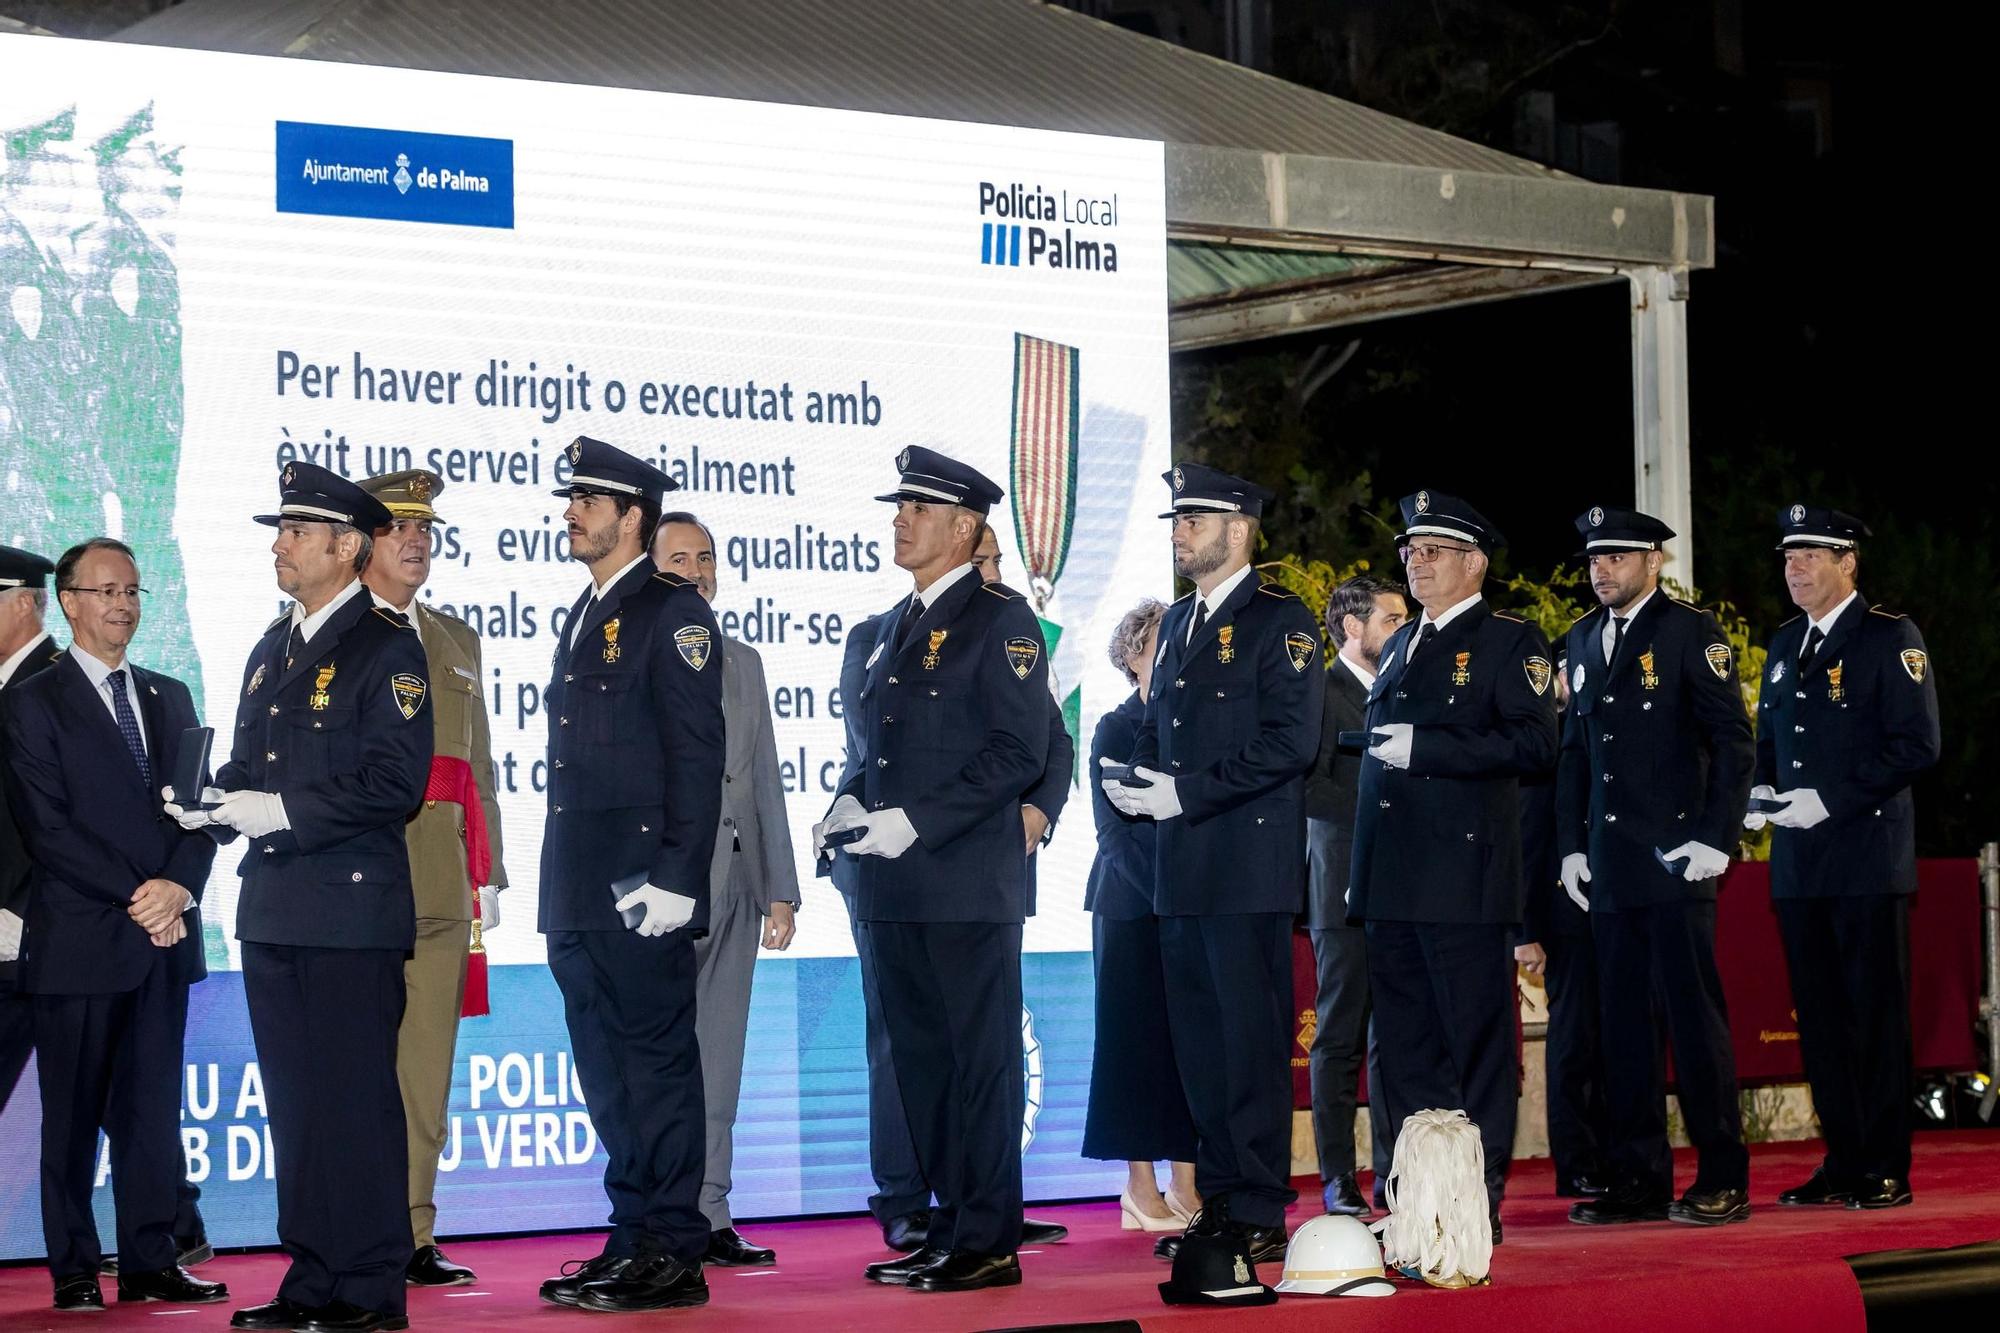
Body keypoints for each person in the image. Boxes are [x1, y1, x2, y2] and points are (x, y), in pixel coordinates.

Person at [168, 462, 432, 1333]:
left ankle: (369, 1285)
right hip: (276, 907)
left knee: (354, 1103)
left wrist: (279, 810)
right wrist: (210, 802)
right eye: (280, 531)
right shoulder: (271, 647)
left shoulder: (386, 645)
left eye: (295, 531)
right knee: (297, 1106)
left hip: (350, 913)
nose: (278, 546)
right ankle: (314, 1274)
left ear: (346, 545)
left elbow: (394, 782)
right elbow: (253, 767)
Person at [817, 446, 1051, 1293]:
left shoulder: (1001, 621)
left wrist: (915, 819)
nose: (900, 520)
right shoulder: (892, 627)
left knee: (978, 1068)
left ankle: (987, 1238)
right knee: (923, 1067)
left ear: (963, 528)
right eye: (899, 507)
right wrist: (847, 803)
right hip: (893, 885)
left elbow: (1019, 750)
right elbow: (875, 754)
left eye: (918, 508)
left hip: (963, 883)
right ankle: (950, 1226)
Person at [1102, 463, 1324, 1266]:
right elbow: (1157, 729)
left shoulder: (1280, 620)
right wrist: (1133, 778)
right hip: (1182, 871)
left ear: (1239, 528)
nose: (1179, 531)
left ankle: (1258, 1203)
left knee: (1249, 1045)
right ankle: (1220, 1202)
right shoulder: (1180, 623)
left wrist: (1185, 792)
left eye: (1193, 518)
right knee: (1200, 1048)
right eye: (1176, 519)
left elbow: (1291, 743)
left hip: (1244, 868)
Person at [2, 538, 224, 1314]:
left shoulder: (170, 695)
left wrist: (179, 887)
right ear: (68, 601)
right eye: (106, 591)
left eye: (132, 591)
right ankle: (72, 1266)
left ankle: (151, 1260)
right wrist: (143, 893)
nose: (123, 605)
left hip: (164, 942)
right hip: (80, 941)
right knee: (70, 1120)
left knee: (151, 1115)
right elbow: (48, 829)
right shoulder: (32, 701)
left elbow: (202, 812)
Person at [534, 437, 724, 1314]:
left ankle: (676, 1248)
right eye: (572, 500)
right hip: (579, 888)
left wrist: (678, 876)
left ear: (632, 516)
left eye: (587, 501)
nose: (572, 513)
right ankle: (633, 1234)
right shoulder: (587, 609)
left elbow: (696, 752)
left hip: (644, 888)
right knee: (608, 1075)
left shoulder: (671, 611)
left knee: (656, 1068)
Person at [1346, 489, 1559, 1238]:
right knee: (1405, 1052)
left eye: (1433, 550)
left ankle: (1475, 1201)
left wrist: (1430, 748)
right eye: (1411, 549)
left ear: (1475, 563)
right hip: (1393, 879)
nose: (1417, 561)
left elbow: (1537, 744)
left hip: (1464, 881)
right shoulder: (1402, 641)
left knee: (1476, 1048)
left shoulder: (1508, 641)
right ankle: (1416, 1199)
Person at [1555, 507, 1755, 1227]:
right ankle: (1638, 1177)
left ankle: (1723, 1174)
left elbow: (1733, 741)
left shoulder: (1689, 631)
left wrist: (1715, 838)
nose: (1601, 570)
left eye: (1616, 557)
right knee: (1623, 1031)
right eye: (1594, 558)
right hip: (1611, 868)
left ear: (1653, 561)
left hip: (1677, 862)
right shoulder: (1582, 636)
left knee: (1694, 1024)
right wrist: (1571, 847)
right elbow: (1576, 753)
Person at [1747, 504, 1939, 1211]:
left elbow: (1917, 745)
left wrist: (1828, 800)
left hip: (1865, 860)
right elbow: (1770, 739)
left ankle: (1885, 1162)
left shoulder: (1889, 636)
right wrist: (1759, 789)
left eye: (1809, 555)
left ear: (1847, 562)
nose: (1793, 568)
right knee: (1821, 1021)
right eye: (1787, 556)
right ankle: (1845, 1158)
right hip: (1800, 867)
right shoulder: (1784, 642)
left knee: (1873, 1017)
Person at [356, 470, 508, 1287]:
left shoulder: (457, 639)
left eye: (426, 529)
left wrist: (490, 869)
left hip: (445, 881)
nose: (417, 541)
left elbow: (478, 765)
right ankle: (353, 1226)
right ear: (360, 542)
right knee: (357, 1066)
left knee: (425, 1068)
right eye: (399, 528)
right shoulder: (332, 634)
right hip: (360, 878)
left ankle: (413, 1227)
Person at [650, 512, 798, 1268]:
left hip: (736, 885)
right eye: (679, 558)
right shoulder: (634, 654)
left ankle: (711, 1210)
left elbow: (763, 775)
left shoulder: (743, 660)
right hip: (661, 891)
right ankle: (658, 1213)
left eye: (705, 557)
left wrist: (781, 887)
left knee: (721, 1057)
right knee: (659, 1058)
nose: (697, 571)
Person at [1082, 596, 1199, 1232]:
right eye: (1161, 645)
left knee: (1187, 1047)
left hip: (1189, 907)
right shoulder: (1115, 727)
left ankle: (1186, 1182)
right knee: (1133, 1048)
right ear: (1132, 656)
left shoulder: (1194, 721)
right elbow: (1115, 835)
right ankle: (1138, 1186)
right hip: (1131, 906)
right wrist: (1166, 893)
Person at [1302, 574, 1407, 1217]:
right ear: (1352, 627)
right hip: (1340, 883)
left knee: (1396, 1037)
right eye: (1391, 620)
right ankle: (1338, 1177)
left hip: (1405, 888)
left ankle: (1396, 1173)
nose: (1403, 629)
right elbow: (1306, 784)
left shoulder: (1408, 687)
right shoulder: (1317, 691)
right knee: (1339, 1034)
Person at [1519, 658, 1610, 1201]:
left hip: (1613, 905)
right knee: (1575, 1036)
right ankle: (1577, 1160)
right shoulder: (1547, 735)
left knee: (1613, 1034)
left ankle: (1613, 1153)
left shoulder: (1605, 727)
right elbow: (1529, 833)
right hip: (1561, 909)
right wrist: (1526, 928)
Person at [0, 544, 61, 1116]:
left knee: (108, 1107)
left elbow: (65, 818)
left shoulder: (57, 684)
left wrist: (18, 912)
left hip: (36, 932)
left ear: (24, 603)